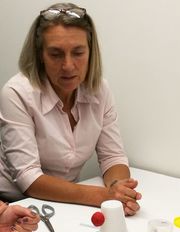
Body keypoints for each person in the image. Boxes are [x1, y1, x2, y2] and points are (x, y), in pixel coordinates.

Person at [0, 2, 142, 216]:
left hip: (65, 202)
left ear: (91, 52)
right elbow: (29, 178)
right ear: (40, 56)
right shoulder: (16, 93)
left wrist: (118, 190)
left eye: (78, 52)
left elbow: (113, 157)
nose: (68, 65)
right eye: (56, 54)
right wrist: (102, 196)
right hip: (10, 203)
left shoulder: (100, 90)